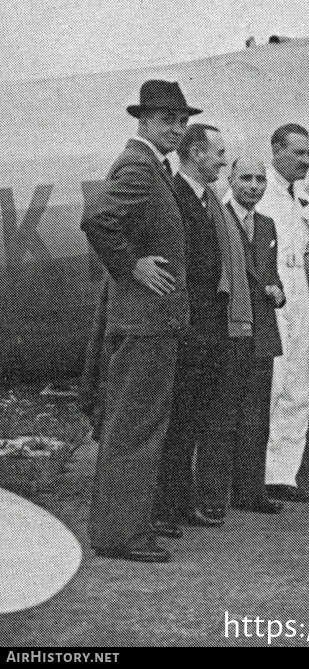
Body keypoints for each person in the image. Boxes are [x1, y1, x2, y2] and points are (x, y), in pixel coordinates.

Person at [81, 80, 200, 563]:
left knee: (140, 425)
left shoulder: (154, 166)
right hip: (145, 323)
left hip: (153, 322)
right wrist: (132, 265)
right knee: (135, 428)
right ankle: (120, 536)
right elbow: (97, 218)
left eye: (182, 121)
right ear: (143, 121)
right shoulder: (139, 165)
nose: (176, 128)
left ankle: (131, 523)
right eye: (166, 120)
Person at [198, 157, 287, 518]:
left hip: (261, 332)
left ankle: (250, 491)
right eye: (246, 179)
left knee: (256, 416)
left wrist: (278, 291)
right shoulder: (217, 218)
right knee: (221, 416)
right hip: (229, 332)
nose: (253, 186)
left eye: (260, 180)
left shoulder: (266, 225)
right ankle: (213, 497)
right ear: (230, 181)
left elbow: (272, 273)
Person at [152, 124, 229, 537]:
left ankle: (180, 504)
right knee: (176, 419)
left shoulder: (206, 198)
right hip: (185, 327)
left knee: (192, 419)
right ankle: (162, 509)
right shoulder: (174, 195)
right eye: (218, 152)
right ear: (197, 154)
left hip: (206, 327)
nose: (222, 159)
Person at [259, 124, 309, 503]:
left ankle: (284, 475)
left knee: (298, 385)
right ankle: (258, 471)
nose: (306, 162)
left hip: (299, 288)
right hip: (272, 288)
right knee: (273, 383)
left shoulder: (305, 201)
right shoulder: (260, 194)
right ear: (276, 150)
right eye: (299, 153)